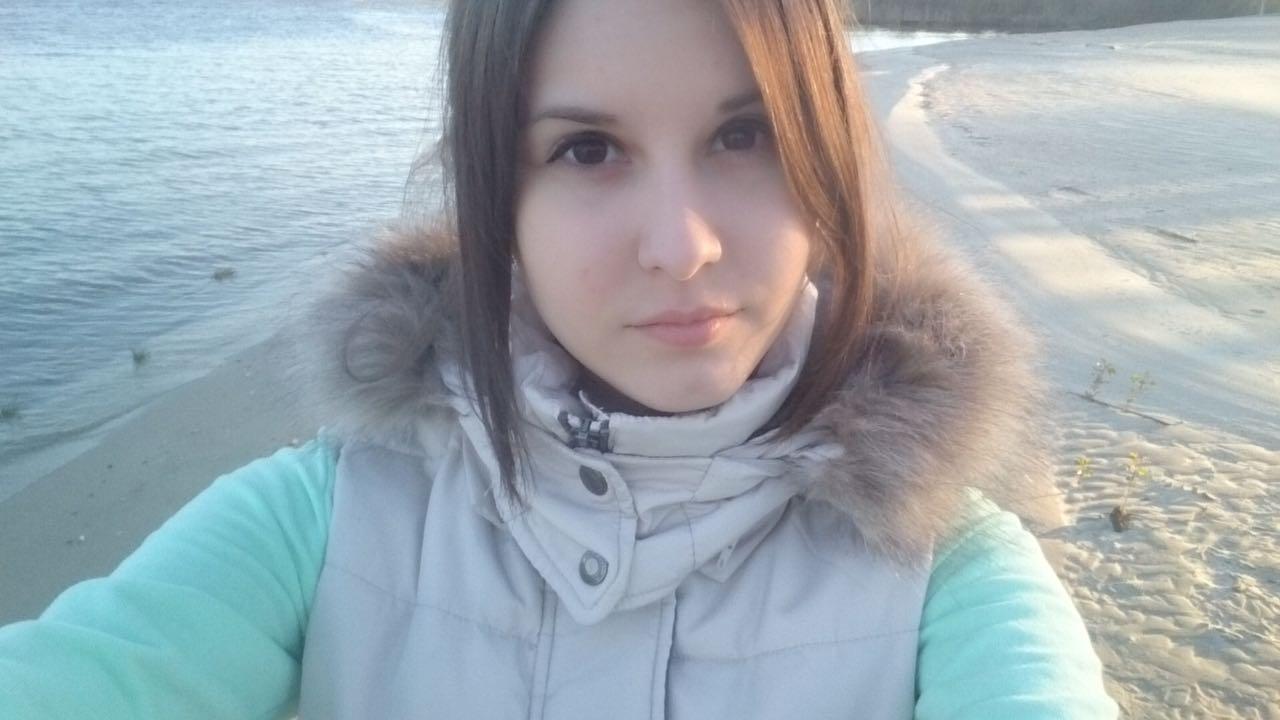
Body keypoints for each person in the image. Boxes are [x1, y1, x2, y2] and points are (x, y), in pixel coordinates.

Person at [0, 0, 1118, 717]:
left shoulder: (946, 576)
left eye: (745, 136)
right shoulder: (321, 524)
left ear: (823, 167)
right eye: (588, 150)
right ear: (501, 202)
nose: (681, 247)